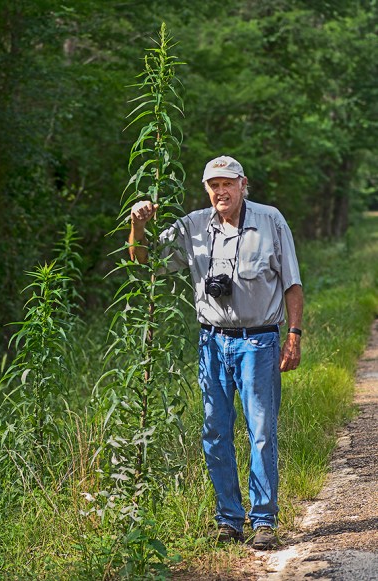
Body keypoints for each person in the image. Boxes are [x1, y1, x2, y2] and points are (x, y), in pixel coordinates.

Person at [129, 155, 303, 550]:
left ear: (244, 184)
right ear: (207, 190)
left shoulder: (271, 220)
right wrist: (138, 225)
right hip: (211, 342)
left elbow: (292, 283)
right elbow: (145, 261)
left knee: (260, 433)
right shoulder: (192, 226)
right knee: (214, 432)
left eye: (228, 183)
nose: (220, 192)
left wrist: (293, 335)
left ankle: (263, 521)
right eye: (213, 186)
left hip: (259, 341)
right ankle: (229, 519)